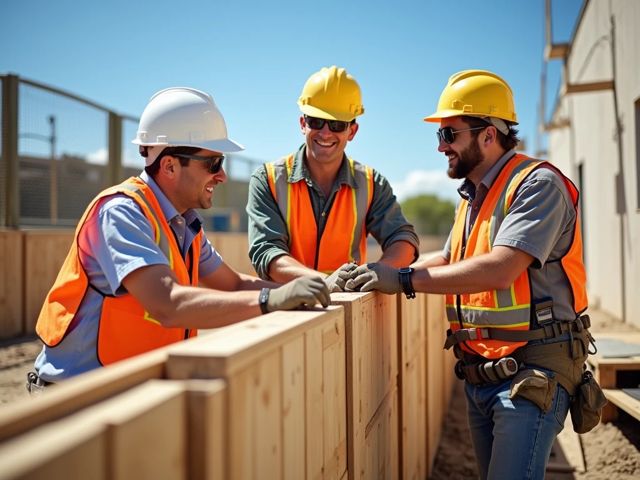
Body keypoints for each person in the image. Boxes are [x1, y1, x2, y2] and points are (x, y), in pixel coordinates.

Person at [346, 70, 599, 479]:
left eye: (451, 134)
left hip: (533, 372)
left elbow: (502, 268)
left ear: (489, 133)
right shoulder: (474, 196)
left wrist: (405, 282)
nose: (441, 146)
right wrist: (380, 272)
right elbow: (448, 258)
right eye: (440, 135)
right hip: (482, 374)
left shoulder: (538, 185)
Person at [29, 87, 329, 391]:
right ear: (170, 165)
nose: (222, 175)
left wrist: (316, 286)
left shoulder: (182, 224)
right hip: (73, 401)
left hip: (123, 393)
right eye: (213, 163)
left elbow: (235, 284)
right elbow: (168, 304)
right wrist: (271, 300)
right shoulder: (121, 213)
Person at [246, 66, 419, 290]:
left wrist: (381, 271)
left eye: (337, 124)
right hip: (285, 309)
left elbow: (402, 238)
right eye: (316, 121)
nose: (326, 133)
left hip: (347, 312)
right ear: (302, 124)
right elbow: (266, 252)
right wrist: (322, 282)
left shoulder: (371, 184)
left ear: (352, 131)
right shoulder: (267, 179)